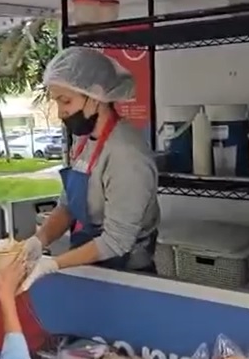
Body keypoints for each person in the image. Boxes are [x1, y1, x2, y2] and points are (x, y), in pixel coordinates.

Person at [21, 47, 161, 290]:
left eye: (66, 101)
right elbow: (68, 206)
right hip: (90, 266)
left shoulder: (126, 154)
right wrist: (38, 240)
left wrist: (53, 264)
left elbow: (116, 241)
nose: (60, 112)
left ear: (95, 96)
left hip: (127, 276)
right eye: (57, 101)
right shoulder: (84, 140)